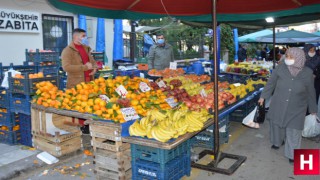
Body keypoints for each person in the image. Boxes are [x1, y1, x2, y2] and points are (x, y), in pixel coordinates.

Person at [258, 47, 318, 164]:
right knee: (276, 125)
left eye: (291, 57)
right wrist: (263, 96)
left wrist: (313, 109)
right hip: (278, 103)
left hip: (297, 107)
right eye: (287, 56)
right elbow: (271, 83)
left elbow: (311, 92)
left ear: (299, 58)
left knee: (294, 130)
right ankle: (277, 142)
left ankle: (292, 154)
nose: (288, 59)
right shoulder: (280, 68)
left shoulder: (307, 73)